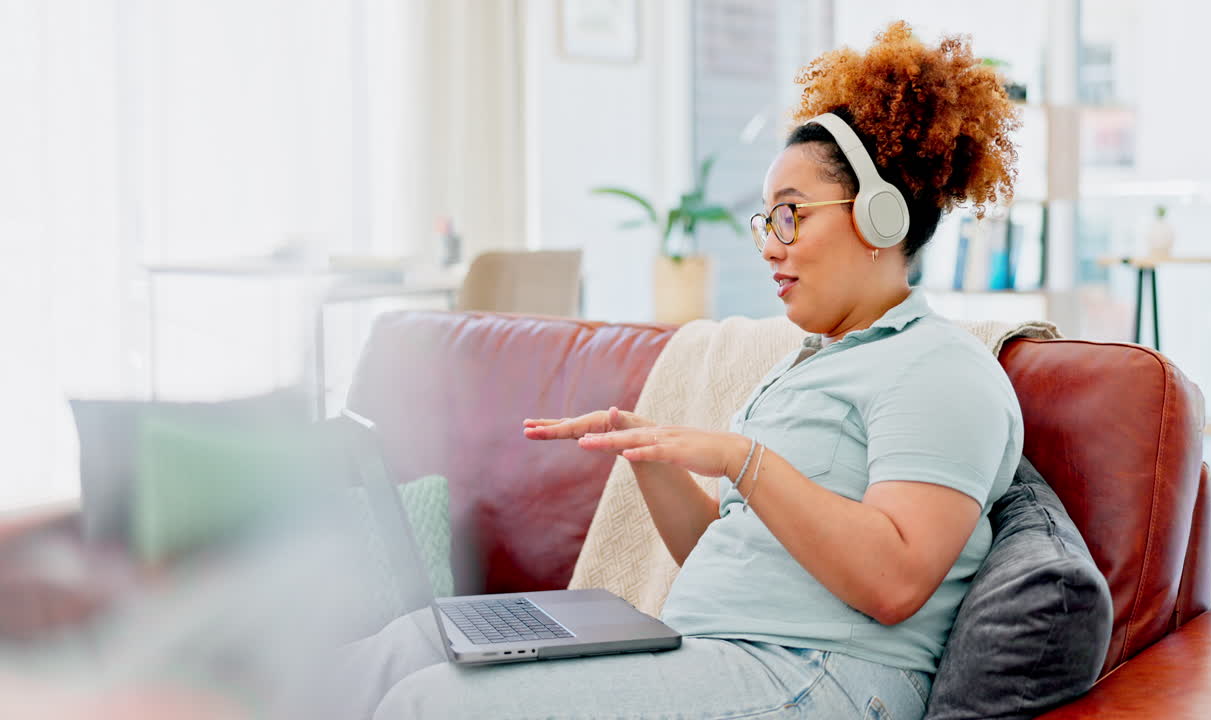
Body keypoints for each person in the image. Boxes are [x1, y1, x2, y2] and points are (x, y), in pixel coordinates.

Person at [331, 21, 1023, 719]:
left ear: (881, 219)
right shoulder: (804, 367)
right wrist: (652, 455)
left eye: (789, 217)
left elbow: (896, 582)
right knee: (408, 645)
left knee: (434, 702)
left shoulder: (939, 369)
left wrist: (742, 458)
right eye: (765, 223)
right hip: (715, 650)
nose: (769, 247)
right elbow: (725, 563)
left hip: (825, 676)